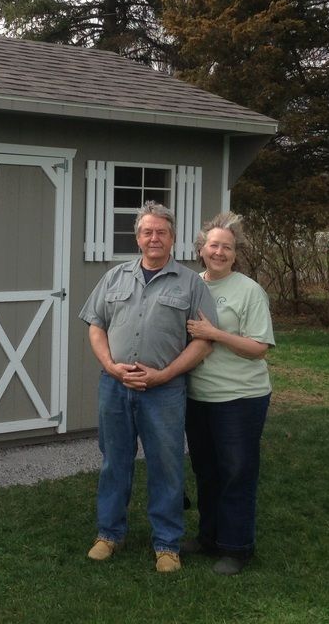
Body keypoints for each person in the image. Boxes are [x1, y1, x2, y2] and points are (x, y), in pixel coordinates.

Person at [79, 201, 218, 572]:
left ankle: (167, 544)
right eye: (147, 232)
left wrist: (164, 374)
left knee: (167, 466)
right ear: (137, 237)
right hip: (115, 387)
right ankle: (109, 534)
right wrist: (110, 366)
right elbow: (96, 325)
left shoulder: (191, 283)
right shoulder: (114, 277)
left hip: (164, 391)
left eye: (161, 232)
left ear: (172, 238)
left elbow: (204, 341)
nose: (153, 238)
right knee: (114, 463)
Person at [183, 211, 275, 576]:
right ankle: (209, 538)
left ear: (236, 254)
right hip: (198, 396)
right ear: (201, 249)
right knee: (206, 471)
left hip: (240, 398)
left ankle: (237, 548)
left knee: (237, 471)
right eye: (213, 245)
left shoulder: (249, 291)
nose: (219, 252)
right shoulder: (190, 285)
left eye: (227, 247)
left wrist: (215, 333)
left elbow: (259, 348)